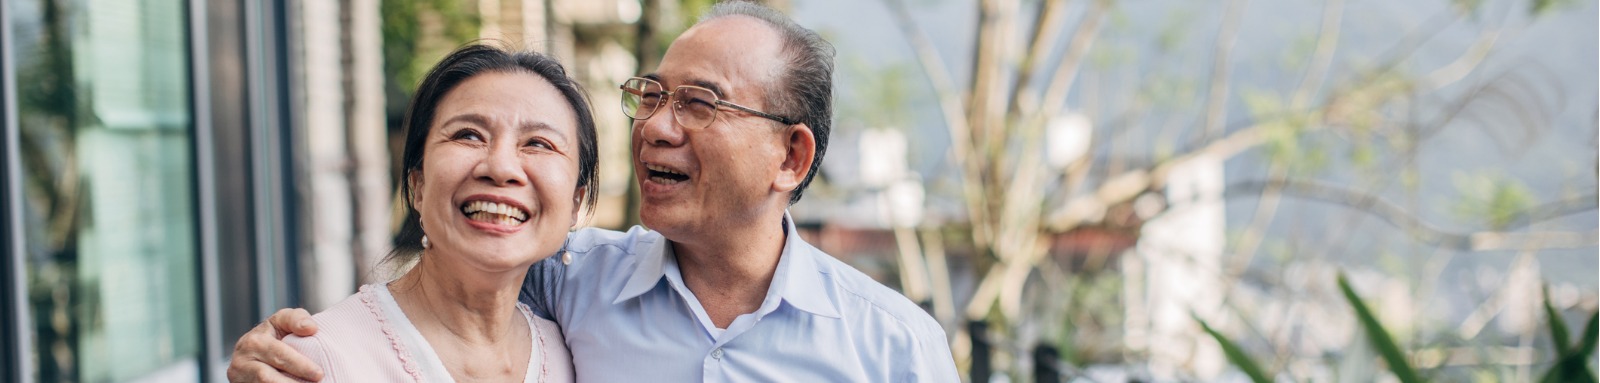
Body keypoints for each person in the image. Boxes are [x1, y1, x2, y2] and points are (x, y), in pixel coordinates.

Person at [228, 2, 958, 381]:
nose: (657, 128)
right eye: (649, 95)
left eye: (700, 103)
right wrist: (280, 351)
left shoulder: (893, 348)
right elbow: (437, 290)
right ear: (414, 178)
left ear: (790, 157)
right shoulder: (572, 281)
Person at [270, 43, 600, 382]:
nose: (501, 168)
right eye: (468, 135)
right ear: (418, 185)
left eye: (538, 143)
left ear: (576, 201)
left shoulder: (573, 355)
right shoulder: (316, 360)